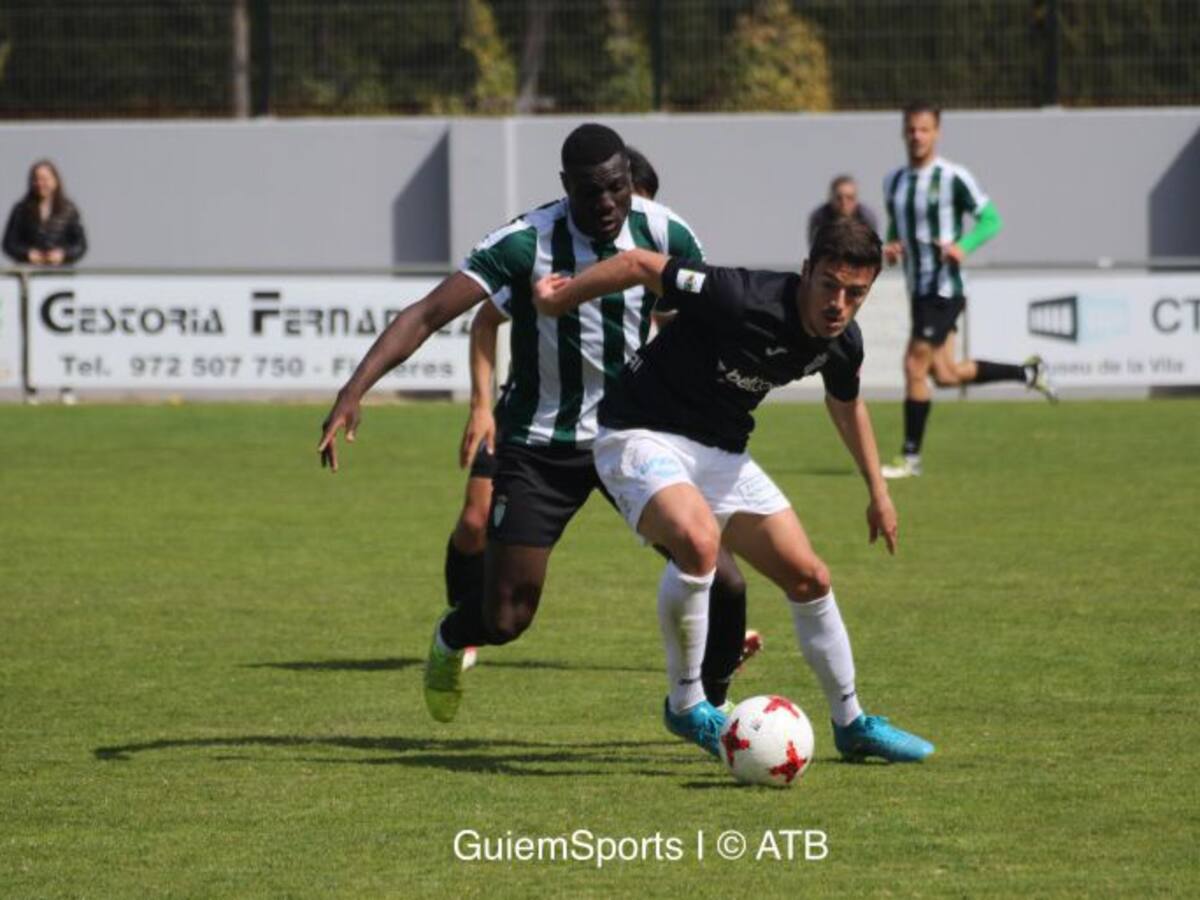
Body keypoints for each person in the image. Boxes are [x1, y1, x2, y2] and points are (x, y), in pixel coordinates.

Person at [319, 124, 752, 724]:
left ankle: (710, 710)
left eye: (617, 189)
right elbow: (427, 314)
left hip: (630, 436)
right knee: (506, 619)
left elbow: (698, 323)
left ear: (631, 180)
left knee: (723, 576)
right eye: (589, 192)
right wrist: (353, 389)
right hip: (541, 447)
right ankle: (451, 636)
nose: (606, 205)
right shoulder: (526, 242)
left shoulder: (665, 230)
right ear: (564, 188)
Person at [532, 217, 935, 763]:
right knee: (699, 545)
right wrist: (562, 299)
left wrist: (878, 492)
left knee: (810, 577)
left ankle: (851, 722)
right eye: (829, 286)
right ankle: (686, 704)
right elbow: (639, 264)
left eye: (855, 293)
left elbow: (845, 403)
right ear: (806, 272)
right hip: (639, 432)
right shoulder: (740, 296)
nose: (839, 303)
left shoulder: (843, 344)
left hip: (722, 455)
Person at [443, 146, 763, 687]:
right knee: (477, 528)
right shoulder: (541, 253)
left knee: (700, 548)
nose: (617, 214)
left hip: (626, 432)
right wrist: (480, 406)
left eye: (628, 201)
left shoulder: (655, 250)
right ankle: (464, 631)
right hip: (533, 427)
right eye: (602, 197)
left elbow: (677, 332)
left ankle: (710, 679)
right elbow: (482, 320)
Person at [880, 101, 1056, 480]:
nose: (917, 136)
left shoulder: (953, 177)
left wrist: (965, 245)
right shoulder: (893, 180)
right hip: (918, 289)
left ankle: (910, 458)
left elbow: (991, 219)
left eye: (924, 129)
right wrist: (891, 247)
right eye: (911, 129)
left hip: (944, 287)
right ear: (903, 132)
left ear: (937, 132)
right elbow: (897, 228)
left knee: (913, 366)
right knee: (944, 373)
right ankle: (1029, 373)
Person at [3, 159, 88, 266]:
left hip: (60, 274)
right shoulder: (21, 210)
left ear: (55, 181)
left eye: (45, 179)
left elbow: (80, 245)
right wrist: (27, 254)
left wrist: (63, 254)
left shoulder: (68, 210)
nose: (40, 184)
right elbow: (9, 244)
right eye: (36, 179)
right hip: (29, 274)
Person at [806, 175, 878, 248]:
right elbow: (814, 248)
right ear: (830, 198)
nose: (844, 203)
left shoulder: (867, 217)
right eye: (839, 198)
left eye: (850, 198)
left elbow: (872, 248)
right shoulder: (819, 217)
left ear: (856, 200)